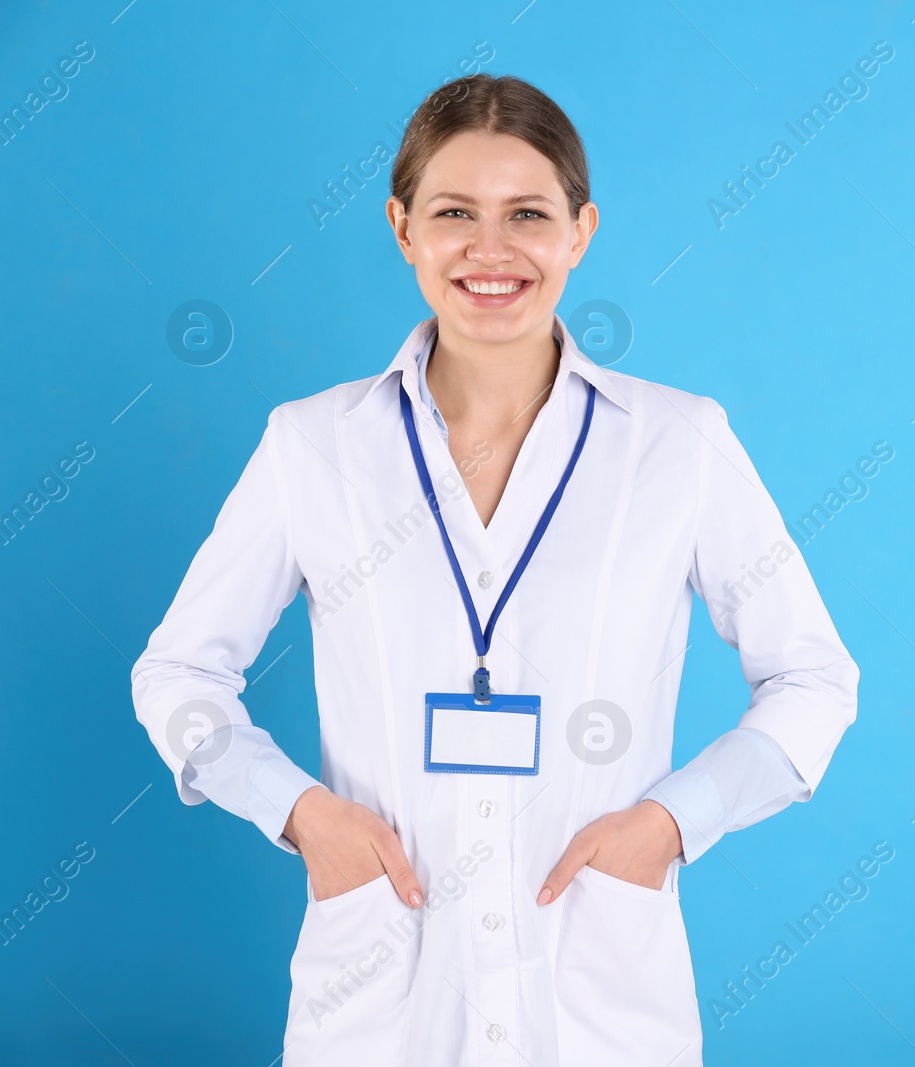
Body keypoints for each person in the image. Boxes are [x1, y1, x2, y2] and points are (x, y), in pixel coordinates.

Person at [130, 73, 858, 1066]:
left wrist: (671, 822)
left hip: (596, 984)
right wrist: (297, 810)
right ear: (401, 228)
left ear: (580, 230)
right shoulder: (315, 446)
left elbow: (813, 679)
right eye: (453, 213)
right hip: (380, 985)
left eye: (526, 213)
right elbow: (177, 671)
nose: (490, 248)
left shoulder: (677, 443)